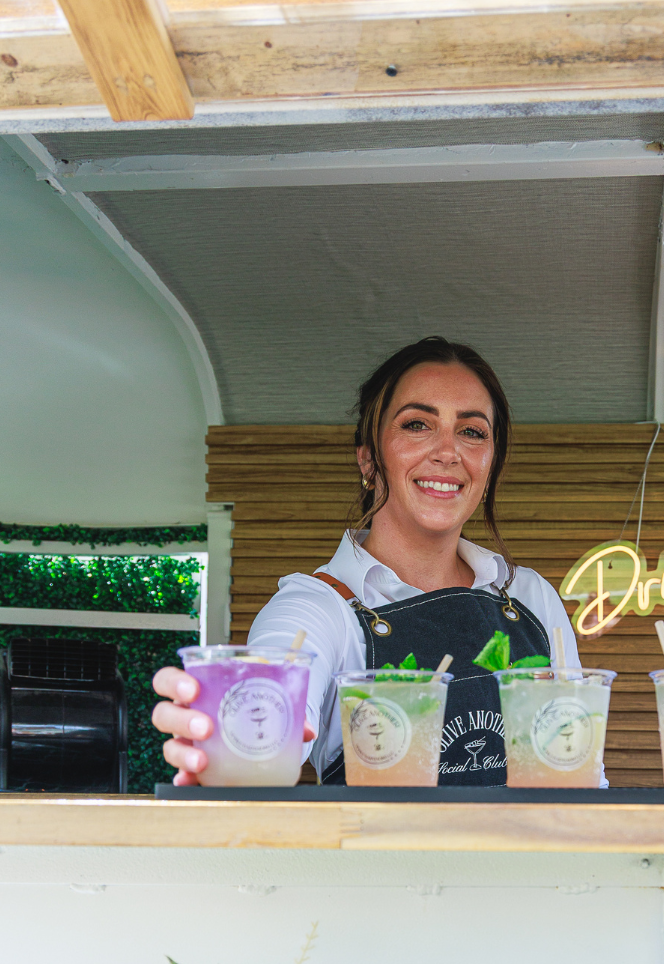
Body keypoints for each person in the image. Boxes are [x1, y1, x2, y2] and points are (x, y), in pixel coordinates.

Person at [152, 336, 589, 786]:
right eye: (417, 424)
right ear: (368, 460)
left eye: (472, 431)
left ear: (490, 462)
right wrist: (230, 734)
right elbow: (275, 686)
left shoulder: (530, 596)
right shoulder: (320, 608)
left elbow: (581, 777)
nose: (447, 451)